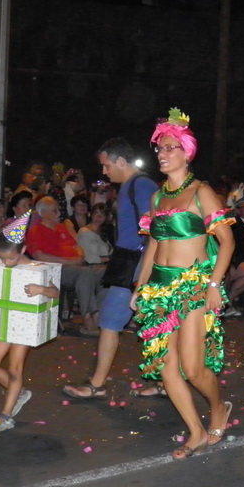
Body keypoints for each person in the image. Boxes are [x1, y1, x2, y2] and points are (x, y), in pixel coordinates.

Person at [129, 109, 235, 459]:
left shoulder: (201, 192)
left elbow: (227, 241)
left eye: (170, 147)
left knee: (192, 368)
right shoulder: (156, 198)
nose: (162, 153)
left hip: (193, 286)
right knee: (165, 367)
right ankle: (196, 431)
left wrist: (214, 285)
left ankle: (218, 407)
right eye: (159, 148)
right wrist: (140, 286)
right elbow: (154, 245)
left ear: (186, 153)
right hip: (160, 288)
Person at [63, 138, 159, 399]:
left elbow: (156, 230)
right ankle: (164, 380)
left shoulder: (141, 185)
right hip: (130, 260)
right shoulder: (131, 186)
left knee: (111, 321)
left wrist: (144, 273)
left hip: (137, 261)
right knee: (149, 322)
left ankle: (97, 385)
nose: (104, 171)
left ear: (121, 161)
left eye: (106, 165)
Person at [0, 222, 59, 432]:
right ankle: (20, 393)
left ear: (23, 250)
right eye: (2, 258)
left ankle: (5, 416)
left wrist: (41, 289)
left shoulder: (35, 269)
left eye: (11, 258)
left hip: (25, 322)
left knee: (15, 369)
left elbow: (55, 292)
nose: (6, 262)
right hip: (5, 319)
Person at [24, 196, 102, 336]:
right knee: (85, 274)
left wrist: (79, 256)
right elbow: (39, 256)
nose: (59, 214)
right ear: (43, 213)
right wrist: (69, 261)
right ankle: (89, 317)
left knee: (105, 273)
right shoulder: (36, 231)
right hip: (56, 269)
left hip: (77, 266)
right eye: (55, 211)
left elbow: (77, 246)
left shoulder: (61, 228)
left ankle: (101, 315)